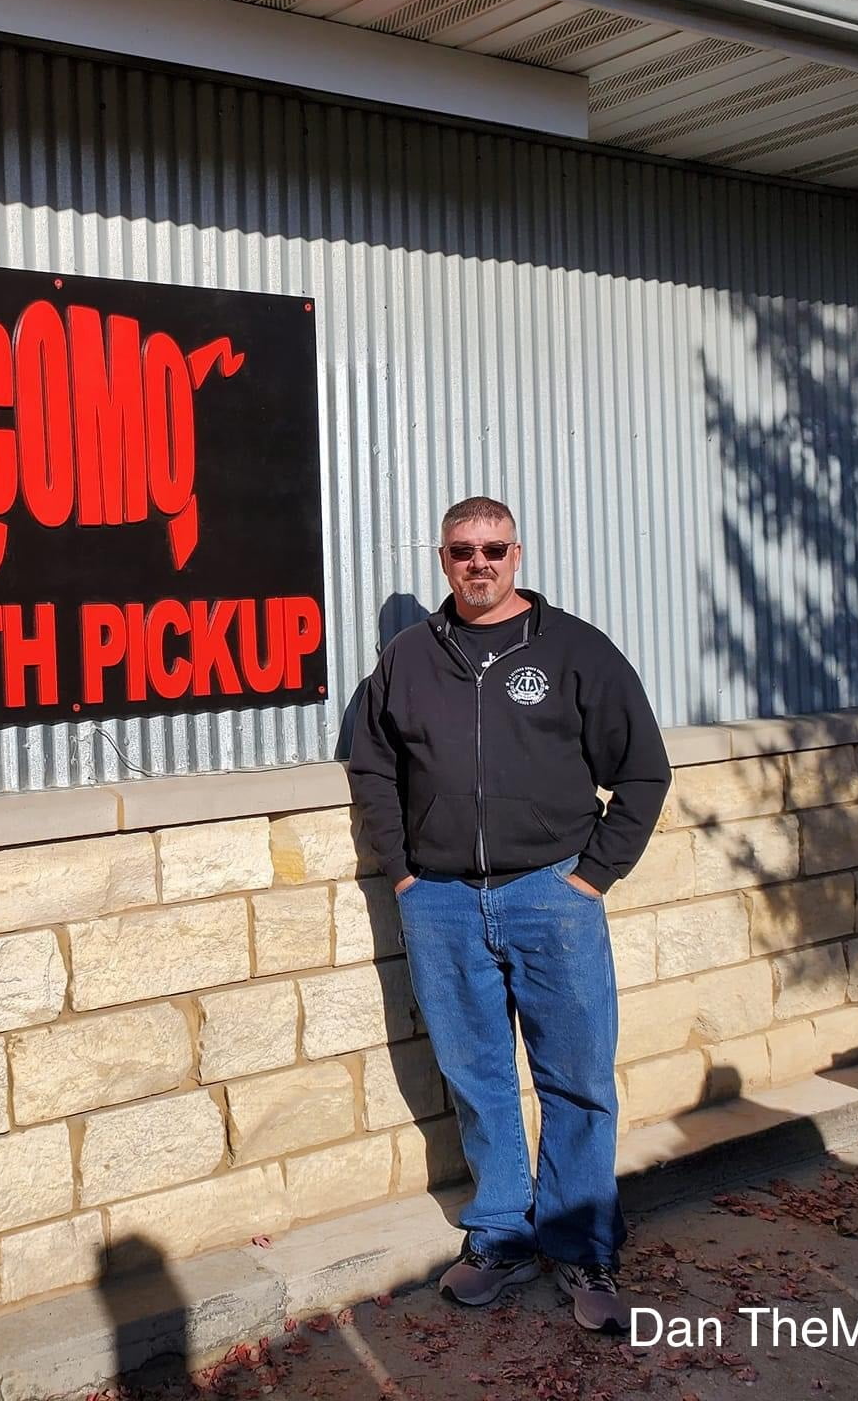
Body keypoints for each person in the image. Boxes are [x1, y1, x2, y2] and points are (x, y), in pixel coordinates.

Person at [346, 496, 671, 1334]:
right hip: (443, 904)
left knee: (577, 1079)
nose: (478, 563)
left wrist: (591, 879)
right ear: (443, 559)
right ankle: (500, 1235)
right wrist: (404, 872)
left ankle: (582, 1244)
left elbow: (642, 773)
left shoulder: (575, 651)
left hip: (551, 897)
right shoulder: (408, 658)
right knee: (477, 1077)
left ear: (517, 554)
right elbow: (372, 765)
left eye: (493, 548)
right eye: (461, 551)